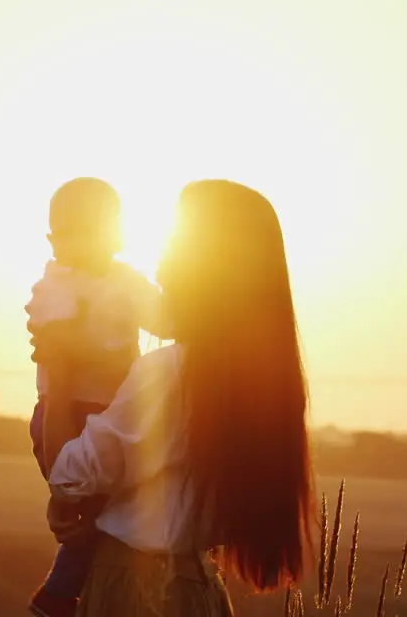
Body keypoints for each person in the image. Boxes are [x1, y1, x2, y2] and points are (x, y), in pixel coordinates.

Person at [41, 180, 316, 616]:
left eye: (174, 241)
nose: (161, 257)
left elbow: (69, 476)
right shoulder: (251, 382)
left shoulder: (170, 372)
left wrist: (59, 375)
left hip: (137, 590)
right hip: (199, 588)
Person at [25, 177, 172, 617]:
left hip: (112, 414)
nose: (76, 243)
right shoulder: (53, 286)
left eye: (89, 230)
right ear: (51, 240)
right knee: (89, 510)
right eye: (64, 232)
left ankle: (66, 592)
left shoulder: (128, 283)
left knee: (107, 517)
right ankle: (60, 593)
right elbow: (59, 347)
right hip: (62, 413)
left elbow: (169, 321)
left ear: (117, 235)